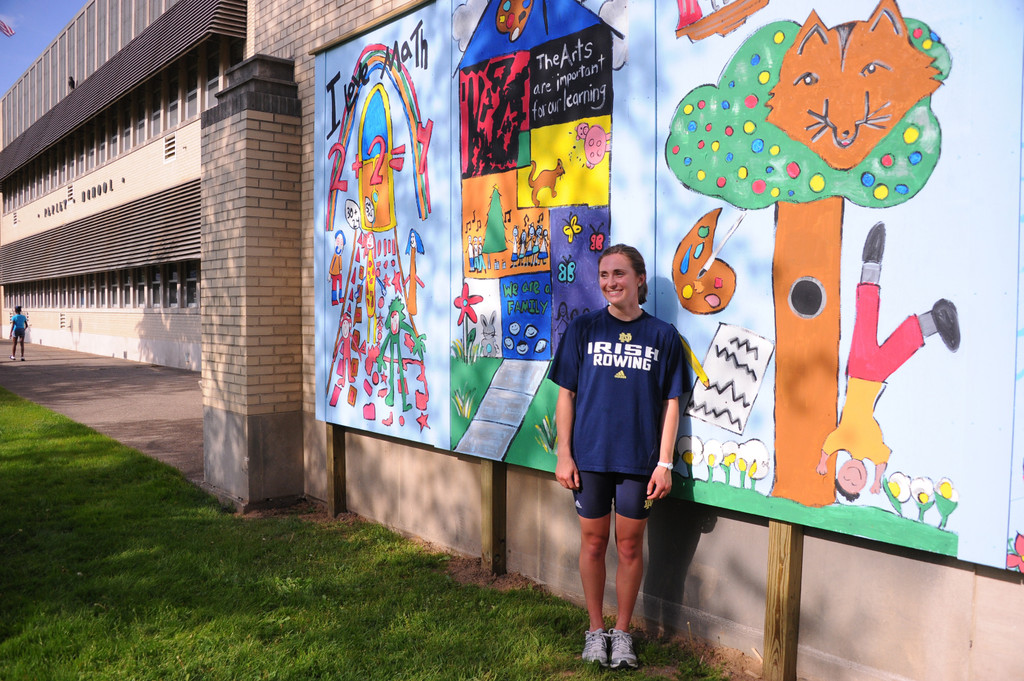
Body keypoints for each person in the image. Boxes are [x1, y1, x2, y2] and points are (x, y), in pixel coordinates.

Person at [548, 244, 686, 669]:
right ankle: (594, 631)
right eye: (605, 274)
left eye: (620, 274)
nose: (611, 282)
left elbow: (672, 403)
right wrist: (564, 453)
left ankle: (622, 633)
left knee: (629, 547)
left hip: (637, 463)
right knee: (592, 542)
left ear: (639, 279)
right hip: (589, 458)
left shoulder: (662, 335)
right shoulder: (584, 330)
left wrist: (664, 463)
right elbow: (566, 396)